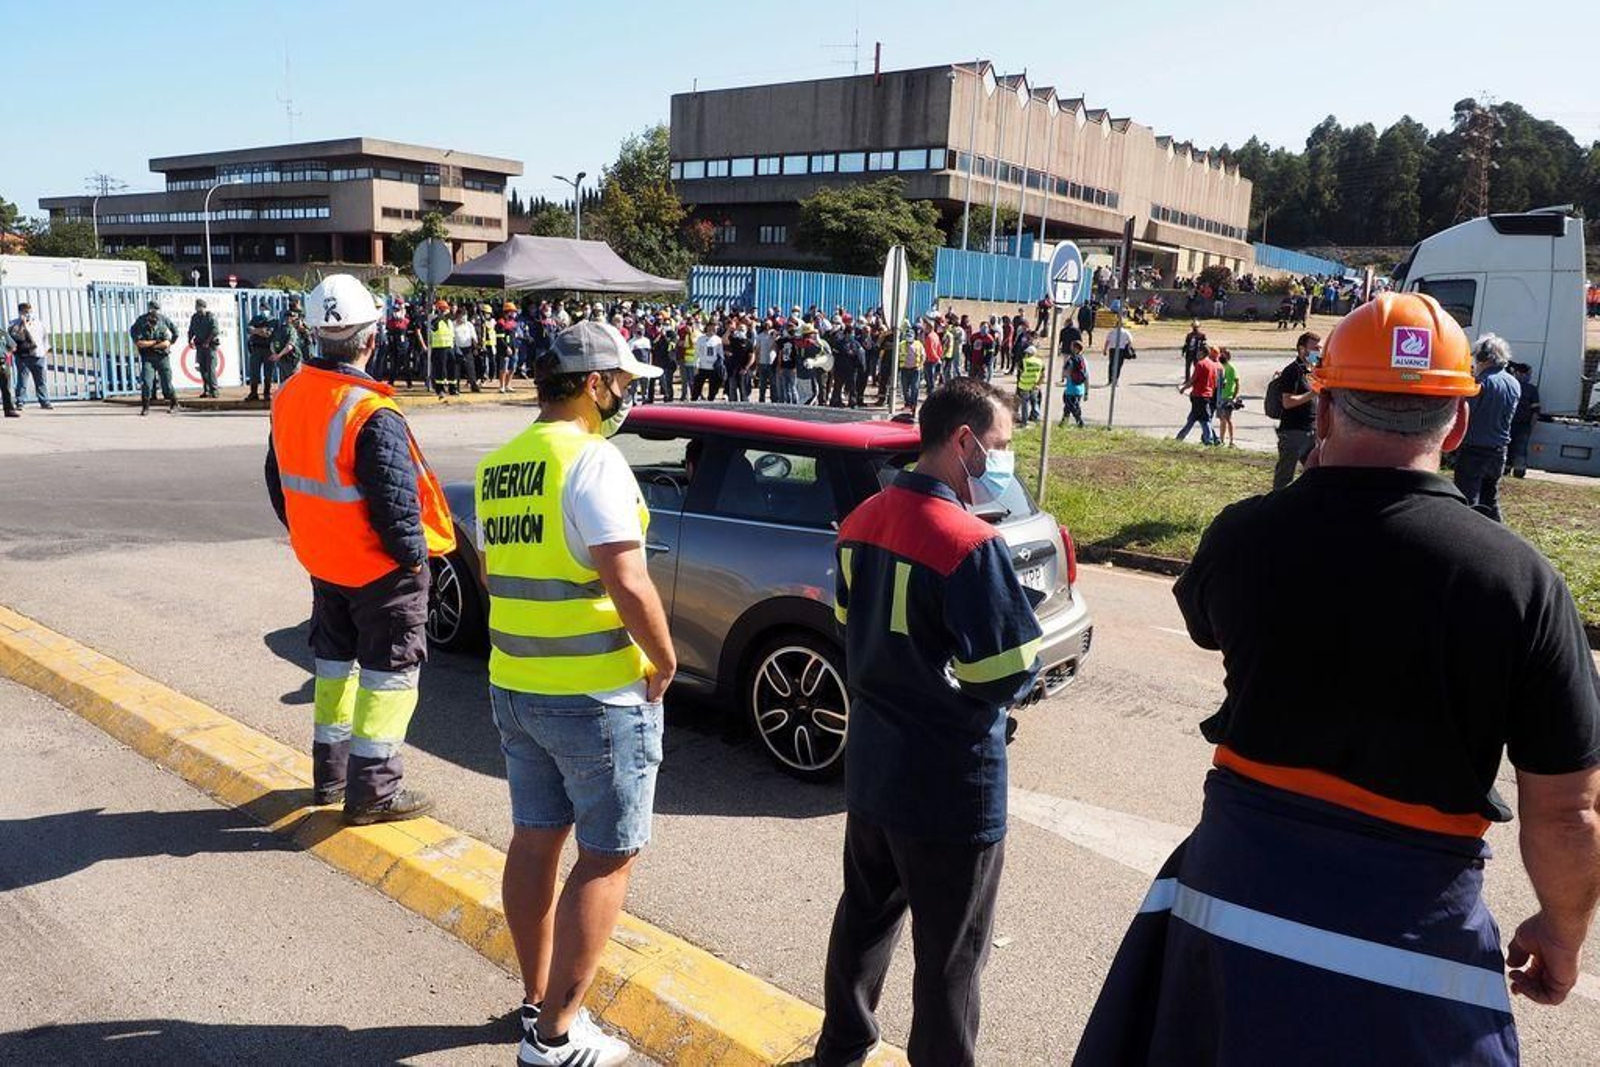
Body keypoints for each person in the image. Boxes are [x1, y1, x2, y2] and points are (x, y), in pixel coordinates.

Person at [1076, 291, 1600, 1066]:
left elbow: (1207, 624)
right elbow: (1567, 813)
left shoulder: (1246, 535)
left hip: (1232, 901)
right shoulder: (1523, 584)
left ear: (1321, 409)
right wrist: (1562, 929)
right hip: (1414, 939)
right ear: (1457, 424)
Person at [815, 378, 1042, 1067]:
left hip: (875, 768)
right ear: (964, 441)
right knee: (950, 957)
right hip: (951, 785)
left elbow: (851, 629)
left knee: (864, 918)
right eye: (999, 446)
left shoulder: (858, 522)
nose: (1002, 461)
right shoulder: (970, 543)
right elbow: (1008, 671)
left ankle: (842, 1048)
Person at [477, 321, 672, 1067]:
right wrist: (663, 658)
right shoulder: (593, 462)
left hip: (517, 685)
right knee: (607, 857)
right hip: (596, 695)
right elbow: (628, 577)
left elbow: (495, 574)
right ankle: (555, 1034)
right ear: (594, 384)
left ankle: (535, 1000)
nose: (624, 398)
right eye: (621, 384)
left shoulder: (503, 464)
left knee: (535, 839)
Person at [263, 274, 455, 825]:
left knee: (334, 669)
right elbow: (395, 503)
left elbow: (280, 483)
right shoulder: (369, 410)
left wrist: (314, 533)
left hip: (325, 563)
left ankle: (330, 779)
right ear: (371, 338)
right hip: (379, 570)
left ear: (315, 334)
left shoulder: (291, 396)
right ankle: (373, 792)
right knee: (388, 675)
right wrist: (415, 559)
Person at [1453, 334, 1521, 522]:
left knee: (1467, 498)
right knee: (1490, 498)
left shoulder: (1481, 382)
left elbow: (1466, 413)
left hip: (1474, 448)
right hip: (1499, 449)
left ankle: (1467, 535)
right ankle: (1499, 535)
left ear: (1484, 357)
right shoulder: (1514, 383)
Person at [1272, 332, 1321, 490]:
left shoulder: (1312, 370)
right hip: (1293, 432)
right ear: (1302, 349)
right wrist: (1313, 393)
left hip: (1311, 430)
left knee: (1315, 475)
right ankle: (1277, 509)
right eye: (1315, 348)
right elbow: (1287, 402)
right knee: (1284, 477)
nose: (1318, 352)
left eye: (1320, 348)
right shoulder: (1292, 371)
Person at [129, 300, 180, 415]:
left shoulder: (163, 324)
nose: (153, 312)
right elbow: (138, 341)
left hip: (162, 357)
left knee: (166, 383)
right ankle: (145, 406)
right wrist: (154, 343)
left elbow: (169, 339)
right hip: (148, 357)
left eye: (155, 309)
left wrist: (169, 343)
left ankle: (174, 402)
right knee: (147, 381)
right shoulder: (142, 322)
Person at [7, 302, 53, 410]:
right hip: (23, 356)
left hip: (38, 355)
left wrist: (45, 350)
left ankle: (45, 401)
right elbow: (13, 338)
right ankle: (20, 402)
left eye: (29, 311)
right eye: (25, 312)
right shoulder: (13, 324)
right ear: (20, 312)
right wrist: (22, 324)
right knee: (22, 381)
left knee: (41, 380)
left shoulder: (38, 323)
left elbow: (44, 337)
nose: (28, 314)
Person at [1176, 346, 1220, 445]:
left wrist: (1184, 388)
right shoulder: (1213, 365)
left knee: (1204, 420)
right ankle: (1179, 438)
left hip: (1199, 395)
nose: (1197, 354)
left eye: (1198, 352)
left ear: (1202, 353)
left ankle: (1209, 440)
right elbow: (1214, 382)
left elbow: (1193, 379)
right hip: (1207, 395)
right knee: (1193, 418)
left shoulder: (1200, 364)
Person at [1507, 361, 1541, 478]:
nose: (1529, 377)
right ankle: (1518, 472)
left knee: (1508, 448)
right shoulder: (1531, 389)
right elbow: (1535, 411)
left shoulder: (1510, 386)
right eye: (1528, 374)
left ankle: (1506, 470)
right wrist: (1531, 426)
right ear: (1519, 373)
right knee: (1520, 449)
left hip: (1511, 424)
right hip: (1522, 425)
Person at [269, 303, 312, 390]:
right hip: (293, 359)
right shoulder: (291, 329)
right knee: (295, 383)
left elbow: (272, 344)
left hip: (284, 359)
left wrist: (276, 355)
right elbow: (290, 346)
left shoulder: (280, 329)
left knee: (284, 384)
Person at [187, 298, 222, 399]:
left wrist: (207, 341)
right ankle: (206, 390)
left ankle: (214, 390)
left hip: (210, 346)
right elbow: (191, 330)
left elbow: (215, 330)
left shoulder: (210, 316)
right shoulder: (195, 317)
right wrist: (189, 340)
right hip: (200, 346)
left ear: (204, 307)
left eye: (200, 306)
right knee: (202, 369)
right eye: (197, 306)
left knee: (211, 369)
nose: (198, 308)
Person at [428, 301, 456, 398]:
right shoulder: (434, 319)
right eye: (444, 309)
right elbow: (433, 327)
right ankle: (440, 389)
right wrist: (441, 317)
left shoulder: (449, 321)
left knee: (452, 368)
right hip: (439, 348)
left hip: (449, 347)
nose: (446, 311)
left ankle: (452, 388)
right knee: (440, 370)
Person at [691, 324, 725, 401]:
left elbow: (721, 354)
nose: (713, 330)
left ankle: (711, 399)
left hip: (713, 367)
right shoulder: (700, 339)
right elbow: (697, 353)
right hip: (702, 366)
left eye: (715, 328)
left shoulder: (718, 339)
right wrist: (696, 364)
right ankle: (694, 400)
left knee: (713, 387)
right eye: (711, 328)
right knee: (697, 386)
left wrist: (720, 365)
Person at [896, 324, 924, 415]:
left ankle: (913, 405)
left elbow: (923, 355)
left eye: (910, 336)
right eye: (907, 336)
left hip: (915, 369)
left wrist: (920, 365)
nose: (909, 338)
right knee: (905, 389)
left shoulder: (918, 344)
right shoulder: (901, 344)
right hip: (905, 369)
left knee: (914, 388)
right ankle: (907, 403)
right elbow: (898, 356)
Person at [451, 307, 480, 394]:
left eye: (465, 315)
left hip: (468, 349)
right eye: (462, 315)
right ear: (457, 315)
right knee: (456, 369)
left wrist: (476, 347)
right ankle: (456, 387)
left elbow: (474, 337)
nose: (464, 317)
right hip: (457, 349)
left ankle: (473, 385)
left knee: (470, 368)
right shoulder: (453, 325)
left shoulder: (469, 325)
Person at [1060, 340, 1089, 428]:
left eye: (1072, 346)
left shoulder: (1071, 359)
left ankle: (1080, 422)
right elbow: (1086, 377)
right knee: (1069, 407)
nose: (1070, 348)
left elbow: (1065, 374)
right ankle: (1063, 423)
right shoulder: (1084, 360)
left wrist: (1064, 374)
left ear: (1076, 348)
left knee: (1072, 407)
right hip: (1080, 389)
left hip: (1071, 388)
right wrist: (1086, 392)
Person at [1215, 348, 1240, 447]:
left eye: (1223, 354)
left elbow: (1237, 383)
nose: (1221, 356)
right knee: (1222, 419)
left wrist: (1234, 397)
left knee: (1228, 419)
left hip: (1228, 397)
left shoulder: (1231, 368)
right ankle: (1221, 439)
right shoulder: (1220, 367)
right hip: (1220, 396)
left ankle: (1232, 440)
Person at [1015, 342, 1044, 427]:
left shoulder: (1023, 362)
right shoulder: (1040, 362)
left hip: (1024, 386)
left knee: (1025, 405)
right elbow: (1042, 375)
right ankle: (1036, 418)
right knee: (1035, 403)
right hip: (1035, 386)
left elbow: (1019, 372)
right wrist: (1039, 384)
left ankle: (1024, 422)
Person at [1102, 320, 1135, 386]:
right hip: (1121, 350)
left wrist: (1105, 350)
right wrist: (1128, 348)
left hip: (1112, 350)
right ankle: (1116, 380)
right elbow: (1130, 341)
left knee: (1111, 365)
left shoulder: (1112, 332)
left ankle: (1110, 380)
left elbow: (1107, 341)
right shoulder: (1126, 332)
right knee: (1118, 365)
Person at [1181, 320, 1207, 384]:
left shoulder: (1202, 335)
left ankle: (1196, 379)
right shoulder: (1189, 335)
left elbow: (1204, 345)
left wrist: (1204, 353)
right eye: (1194, 327)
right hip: (1189, 353)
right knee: (1187, 367)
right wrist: (1183, 351)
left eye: (1196, 327)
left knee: (1197, 367)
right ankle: (1187, 380)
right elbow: (1186, 344)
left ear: (1199, 327)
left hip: (1197, 353)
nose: (1195, 328)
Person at [1, 322, 17, 417]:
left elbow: (13, 346)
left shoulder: (2, 333)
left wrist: (8, 353)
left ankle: (9, 410)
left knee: (6, 388)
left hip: (3, 363)